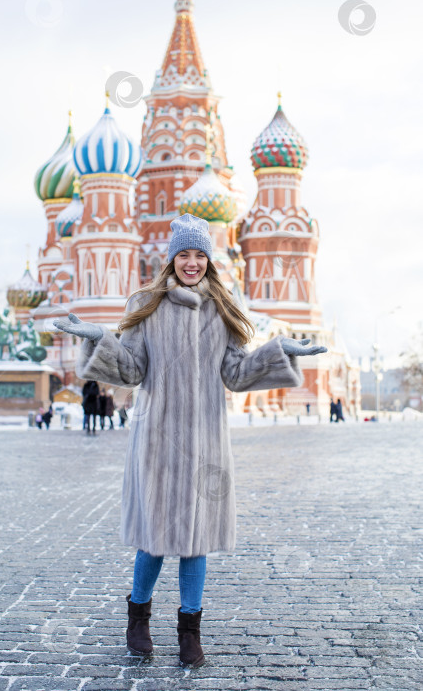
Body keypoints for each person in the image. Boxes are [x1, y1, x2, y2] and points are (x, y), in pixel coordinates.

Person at [53, 213, 328, 668]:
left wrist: (279, 350)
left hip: (205, 443)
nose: (192, 262)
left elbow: (236, 374)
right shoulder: (147, 303)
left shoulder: (222, 308)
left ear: (209, 259)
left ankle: (189, 631)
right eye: (185, 253)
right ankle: (138, 618)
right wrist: (99, 338)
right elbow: (132, 370)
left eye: (200, 254)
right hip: (158, 440)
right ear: (172, 258)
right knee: (154, 540)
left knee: (196, 542)